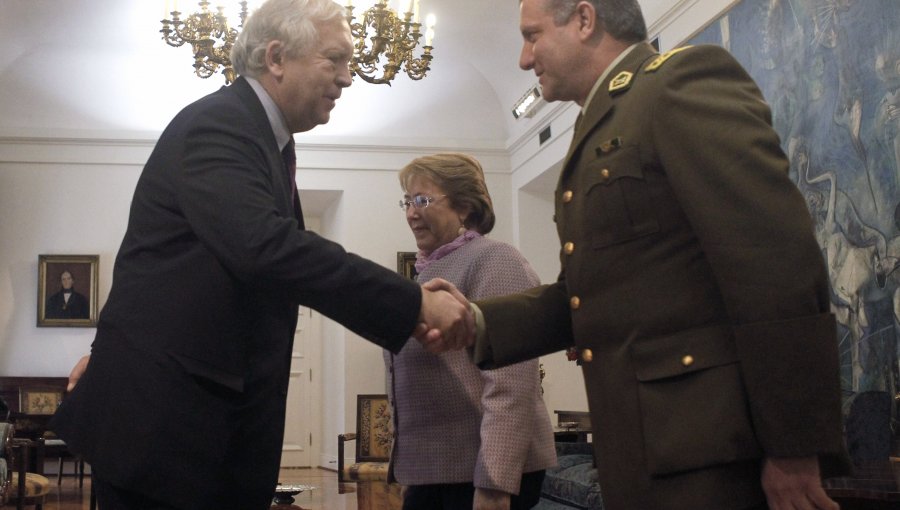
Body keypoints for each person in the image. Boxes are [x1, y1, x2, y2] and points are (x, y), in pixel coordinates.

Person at [50, 1, 472, 509]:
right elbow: (265, 248)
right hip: (167, 438)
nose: (347, 77)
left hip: (199, 434)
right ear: (276, 57)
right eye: (334, 59)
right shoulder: (220, 124)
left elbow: (164, 271)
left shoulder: (265, 141)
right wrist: (413, 304)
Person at [429, 1, 850, 509]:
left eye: (532, 35)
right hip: (645, 446)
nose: (523, 58)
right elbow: (585, 297)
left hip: (711, 451)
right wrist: (476, 322)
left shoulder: (676, 84)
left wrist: (794, 447)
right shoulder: (601, 121)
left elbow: (775, 263)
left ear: (584, 20)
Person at [388, 153, 556, 510]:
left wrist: (495, 483)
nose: (411, 212)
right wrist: (415, 473)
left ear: (464, 207)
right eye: (407, 201)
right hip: (440, 474)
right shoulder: (429, 271)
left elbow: (512, 383)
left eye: (422, 200)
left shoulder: (496, 259)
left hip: (479, 478)